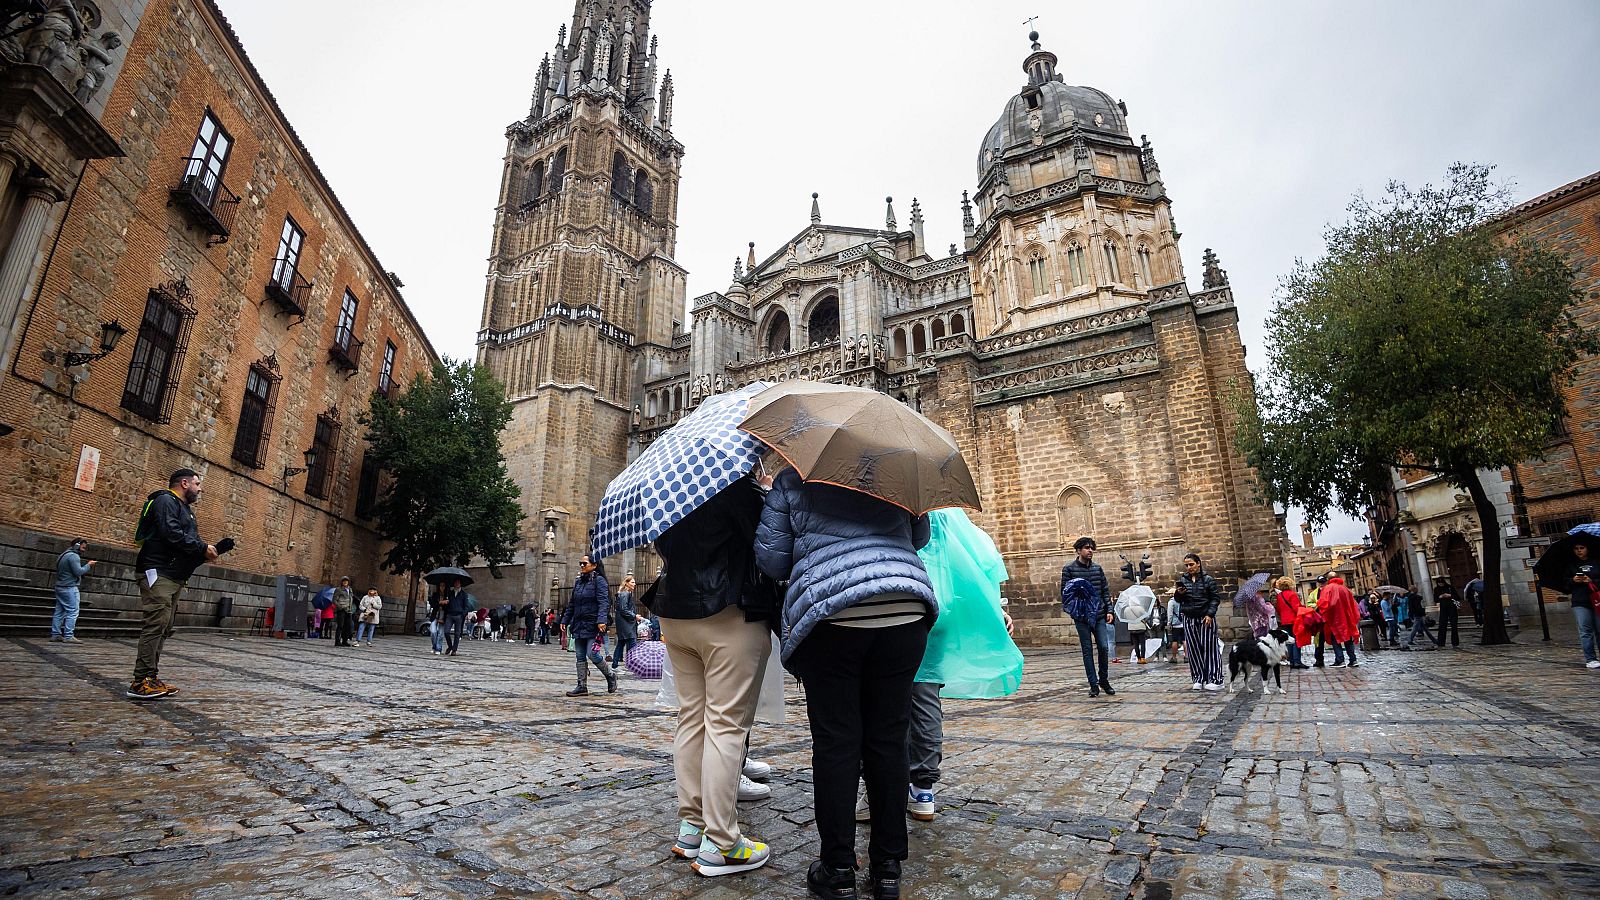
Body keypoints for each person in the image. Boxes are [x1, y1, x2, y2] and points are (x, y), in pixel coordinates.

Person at [757, 465, 936, 899]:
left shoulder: (792, 479)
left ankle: (837, 868)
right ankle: (888, 865)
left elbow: (771, 559)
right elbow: (920, 538)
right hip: (903, 607)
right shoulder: (896, 471)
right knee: (890, 737)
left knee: (837, 742)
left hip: (830, 613)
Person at [655, 473, 773, 878]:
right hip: (727, 612)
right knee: (725, 724)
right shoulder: (737, 487)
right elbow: (769, 549)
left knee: (692, 719)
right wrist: (765, 495)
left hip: (676, 612)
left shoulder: (670, 486)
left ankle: (691, 827)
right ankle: (722, 843)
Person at [127, 468, 219, 700]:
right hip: (158, 571)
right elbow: (171, 534)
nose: (199, 489)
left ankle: (151, 677)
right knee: (155, 624)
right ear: (185, 483)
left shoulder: (185, 509)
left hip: (174, 574)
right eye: (197, 484)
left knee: (163, 627)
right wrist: (201, 548)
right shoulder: (165, 501)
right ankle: (140, 681)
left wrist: (206, 550)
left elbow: (187, 539)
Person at [1061, 536, 1114, 697]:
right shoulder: (1069, 569)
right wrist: (1074, 612)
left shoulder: (1097, 569)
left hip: (1098, 615)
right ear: (1078, 550)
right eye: (1086, 547)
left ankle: (1103, 680)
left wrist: (1109, 610)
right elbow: (1065, 594)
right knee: (1087, 650)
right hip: (1082, 617)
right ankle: (1093, 684)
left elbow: (1105, 591)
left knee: (1104, 647)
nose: (1090, 550)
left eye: (1092, 548)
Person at [565, 555, 616, 696]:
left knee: (592, 653)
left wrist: (601, 620)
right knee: (580, 656)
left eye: (584, 563)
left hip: (594, 624)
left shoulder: (599, 581)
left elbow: (604, 602)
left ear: (594, 565)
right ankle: (582, 685)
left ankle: (610, 675)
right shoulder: (579, 582)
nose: (582, 566)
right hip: (579, 623)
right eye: (580, 563)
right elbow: (572, 604)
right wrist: (563, 621)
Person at [1176, 552, 1224, 691]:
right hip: (1189, 617)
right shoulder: (1183, 580)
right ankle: (1198, 678)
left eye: (1191, 564)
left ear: (1198, 564)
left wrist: (1210, 614)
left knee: (1210, 649)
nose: (1189, 567)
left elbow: (1215, 598)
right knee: (1193, 649)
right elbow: (1179, 600)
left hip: (1205, 617)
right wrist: (1179, 593)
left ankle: (1216, 679)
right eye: (1186, 565)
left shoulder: (1208, 580)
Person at [51, 537, 95, 644]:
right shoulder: (74, 556)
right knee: (73, 611)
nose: (83, 550)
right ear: (77, 545)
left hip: (59, 586)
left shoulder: (63, 555)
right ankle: (68, 635)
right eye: (83, 547)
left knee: (59, 611)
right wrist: (88, 565)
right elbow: (78, 571)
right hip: (69, 587)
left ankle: (55, 634)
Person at [1566, 542, 1600, 668]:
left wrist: (1592, 581)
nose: (1579, 551)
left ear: (1587, 548)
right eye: (1576, 548)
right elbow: (1564, 584)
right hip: (1580, 602)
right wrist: (1573, 580)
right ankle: (1590, 658)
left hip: (1597, 601)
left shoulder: (1597, 563)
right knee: (1585, 630)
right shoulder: (1571, 565)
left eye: (1582, 548)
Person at [1318, 573, 1360, 667]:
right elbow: (1353, 605)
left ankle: (1340, 660)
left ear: (1328, 579)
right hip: (1347, 618)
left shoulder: (1327, 589)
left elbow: (1323, 604)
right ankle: (1353, 660)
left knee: (1335, 639)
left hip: (1334, 618)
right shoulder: (1345, 589)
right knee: (1348, 639)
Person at [1272, 577, 1308, 669]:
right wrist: (1304, 608)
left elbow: (1279, 609)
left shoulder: (1279, 596)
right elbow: (1296, 608)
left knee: (1289, 641)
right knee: (1296, 640)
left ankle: (1291, 660)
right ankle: (1297, 661)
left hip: (1284, 621)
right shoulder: (1292, 594)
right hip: (1294, 620)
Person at [610, 575, 642, 670]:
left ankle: (615, 664)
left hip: (624, 623)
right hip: (626, 624)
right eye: (632, 582)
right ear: (627, 583)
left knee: (621, 643)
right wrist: (634, 616)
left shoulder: (625, 593)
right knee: (632, 643)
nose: (634, 584)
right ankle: (633, 664)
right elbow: (624, 610)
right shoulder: (625, 594)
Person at [443, 579, 472, 656]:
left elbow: (466, 606)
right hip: (450, 614)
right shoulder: (450, 593)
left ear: (460, 584)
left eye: (458, 583)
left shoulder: (464, 594)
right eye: (455, 583)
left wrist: (462, 614)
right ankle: (450, 646)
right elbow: (447, 604)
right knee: (446, 632)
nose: (457, 584)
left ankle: (454, 650)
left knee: (457, 634)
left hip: (459, 615)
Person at [1434, 578, 1461, 649]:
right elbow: (1435, 599)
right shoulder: (1436, 589)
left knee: (1454, 625)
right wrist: (1441, 596)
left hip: (1452, 607)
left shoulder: (1450, 587)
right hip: (1443, 608)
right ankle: (1441, 642)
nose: (1440, 584)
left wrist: (1449, 595)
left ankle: (1455, 642)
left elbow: (1457, 597)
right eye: (1439, 583)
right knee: (1442, 625)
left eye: (1441, 583)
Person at [331, 577, 357, 647]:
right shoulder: (338, 589)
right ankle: (337, 641)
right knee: (340, 626)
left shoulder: (350, 589)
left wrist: (351, 608)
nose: (345, 582)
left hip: (348, 610)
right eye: (344, 581)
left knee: (348, 626)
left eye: (347, 581)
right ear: (342, 582)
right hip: (341, 610)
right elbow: (334, 600)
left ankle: (344, 641)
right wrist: (340, 607)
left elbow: (351, 599)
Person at [427, 584, 447, 654]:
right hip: (435, 615)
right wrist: (440, 602)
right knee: (433, 631)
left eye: (443, 586)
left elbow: (449, 608)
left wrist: (446, 603)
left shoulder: (448, 595)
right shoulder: (435, 595)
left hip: (443, 616)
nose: (442, 587)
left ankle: (438, 649)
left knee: (441, 634)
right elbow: (432, 604)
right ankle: (434, 646)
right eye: (440, 585)